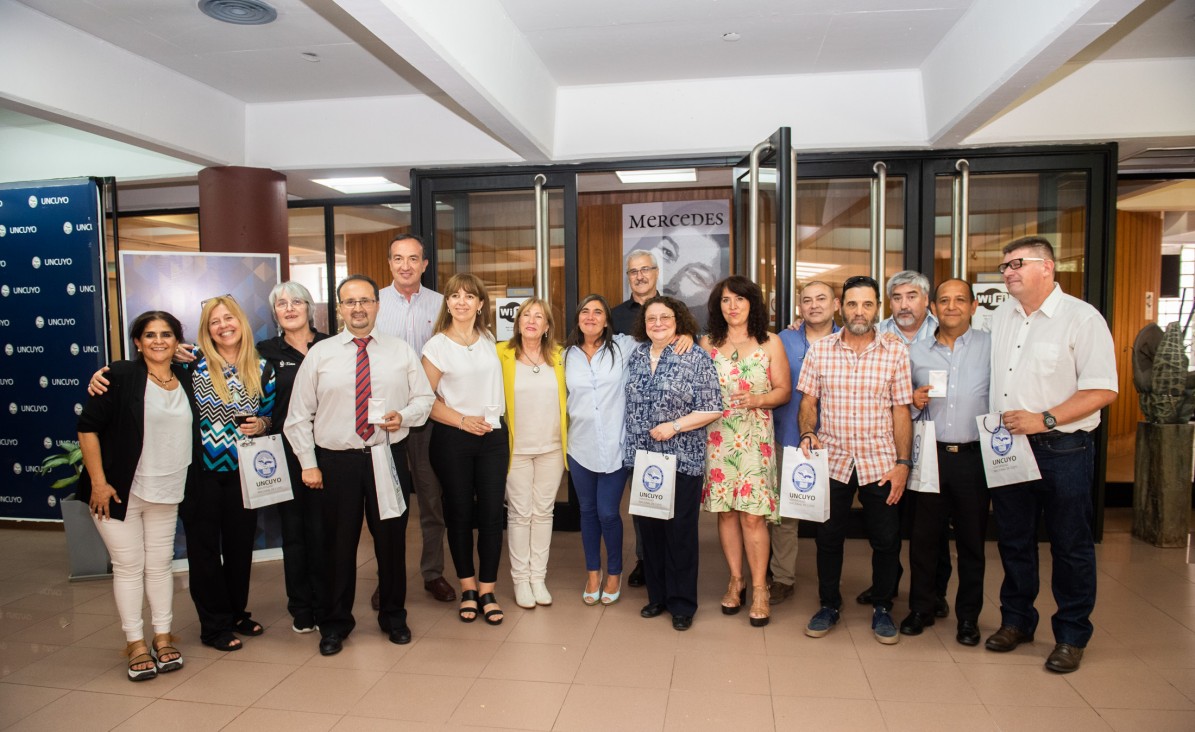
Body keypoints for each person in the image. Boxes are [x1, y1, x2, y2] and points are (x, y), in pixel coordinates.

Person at [986, 236, 1117, 673]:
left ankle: (1071, 635)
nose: (1008, 272)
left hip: (1064, 447)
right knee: (1015, 541)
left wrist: (1045, 419)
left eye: (1016, 264)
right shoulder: (1000, 317)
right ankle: (1017, 621)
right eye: (1004, 266)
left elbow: (1103, 389)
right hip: (1009, 448)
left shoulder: (1081, 318)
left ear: (1047, 266)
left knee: (1070, 545)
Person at [285, 275, 433, 656]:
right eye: (350, 302)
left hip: (387, 457)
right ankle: (335, 623)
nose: (359, 308)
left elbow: (425, 399)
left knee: (391, 542)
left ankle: (393, 617)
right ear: (339, 309)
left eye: (365, 301)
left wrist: (405, 416)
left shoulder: (400, 351)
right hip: (336, 463)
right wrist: (308, 463)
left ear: (377, 305)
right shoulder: (321, 354)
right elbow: (298, 416)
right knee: (337, 545)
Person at [77, 311, 196, 681]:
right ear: (137, 342)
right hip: (117, 491)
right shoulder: (119, 376)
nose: (158, 341)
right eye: (149, 335)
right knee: (129, 567)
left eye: (166, 335)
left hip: (167, 488)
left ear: (177, 342)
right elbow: (88, 429)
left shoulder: (187, 378)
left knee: (160, 565)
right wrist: (98, 482)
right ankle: (135, 643)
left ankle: (163, 637)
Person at [798, 275, 913, 645]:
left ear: (877, 307)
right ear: (840, 307)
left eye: (866, 304)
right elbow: (808, 402)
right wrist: (807, 432)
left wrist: (903, 463)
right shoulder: (821, 351)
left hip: (880, 462)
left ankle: (882, 607)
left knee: (886, 540)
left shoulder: (895, 351)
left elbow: (900, 411)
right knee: (828, 538)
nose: (859, 311)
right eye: (851, 304)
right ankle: (829, 604)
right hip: (832, 460)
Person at [563, 295, 694, 607]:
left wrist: (686, 334)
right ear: (578, 319)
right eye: (585, 311)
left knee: (609, 512)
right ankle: (593, 572)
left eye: (598, 312)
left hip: (616, 446)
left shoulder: (624, 347)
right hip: (579, 446)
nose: (591, 317)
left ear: (608, 321)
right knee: (587, 512)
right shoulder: (564, 355)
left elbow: (661, 336)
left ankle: (615, 573)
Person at [899, 279, 992, 647]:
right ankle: (922, 607)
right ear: (932, 308)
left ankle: (968, 617)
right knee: (923, 539)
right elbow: (899, 404)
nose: (951, 306)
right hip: (930, 456)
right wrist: (911, 401)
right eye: (944, 300)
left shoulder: (991, 347)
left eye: (960, 300)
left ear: (973, 306)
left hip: (974, 457)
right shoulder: (916, 352)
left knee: (972, 542)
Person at [184, 295, 276, 651]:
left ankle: (236, 611)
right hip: (202, 474)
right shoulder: (193, 366)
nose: (223, 326)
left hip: (245, 473)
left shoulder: (262, 366)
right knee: (204, 551)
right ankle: (214, 626)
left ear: (241, 321)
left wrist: (263, 423)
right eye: (214, 322)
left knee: (240, 548)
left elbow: (271, 414)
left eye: (228, 318)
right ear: (207, 330)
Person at [625, 296, 722, 631]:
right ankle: (658, 597)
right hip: (643, 459)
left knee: (679, 533)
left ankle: (682, 603)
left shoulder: (695, 356)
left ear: (678, 320)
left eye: (665, 317)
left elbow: (713, 408)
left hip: (682, 459)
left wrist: (675, 426)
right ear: (643, 323)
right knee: (650, 532)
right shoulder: (636, 355)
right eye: (651, 318)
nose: (658, 324)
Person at [700, 276, 791, 627]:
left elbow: (783, 390)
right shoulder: (707, 342)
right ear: (717, 306)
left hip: (754, 438)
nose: (732, 306)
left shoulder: (770, 342)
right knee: (725, 513)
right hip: (718, 438)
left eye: (739, 299)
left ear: (752, 303)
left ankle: (760, 588)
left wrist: (757, 399)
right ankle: (735, 581)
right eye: (725, 300)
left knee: (752, 516)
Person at [422, 273, 509, 625]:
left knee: (491, 515)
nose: (461, 302)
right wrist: (461, 421)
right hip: (453, 438)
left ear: (480, 304)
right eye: (454, 296)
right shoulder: (436, 346)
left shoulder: (490, 339)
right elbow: (425, 400)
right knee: (458, 514)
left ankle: (488, 590)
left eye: (469, 296)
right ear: (447, 303)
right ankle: (468, 588)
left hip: (492, 437)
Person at [375, 233, 455, 606]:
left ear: (425, 264)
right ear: (389, 263)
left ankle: (432, 572)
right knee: (386, 502)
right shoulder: (374, 305)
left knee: (431, 499)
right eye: (398, 259)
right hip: (384, 420)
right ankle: (386, 578)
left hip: (427, 418)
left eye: (413, 259)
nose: (405, 265)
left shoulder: (442, 305)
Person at [865, 269, 950, 617]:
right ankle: (886, 583)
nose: (904, 304)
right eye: (897, 297)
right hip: (888, 443)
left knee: (931, 521)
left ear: (926, 300)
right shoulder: (877, 333)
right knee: (887, 520)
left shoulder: (943, 331)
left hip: (934, 440)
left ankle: (934, 591)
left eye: (912, 296)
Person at [256, 282, 329, 635]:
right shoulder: (265, 351)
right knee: (296, 531)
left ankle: (330, 600)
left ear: (309, 307)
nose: (289, 308)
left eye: (296, 301)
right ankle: (302, 607)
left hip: (330, 452)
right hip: (286, 454)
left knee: (327, 531)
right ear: (275, 313)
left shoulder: (331, 345)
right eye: (281, 303)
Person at [769, 281, 840, 605]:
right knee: (785, 516)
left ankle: (832, 585)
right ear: (800, 307)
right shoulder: (783, 339)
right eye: (807, 300)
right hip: (789, 439)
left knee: (832, 515)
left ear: (835, 304)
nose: (814, 305)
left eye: (821, 299)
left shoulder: (849, 338)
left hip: (838, 443)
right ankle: (783, 577)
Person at [498, 297, 567, 609]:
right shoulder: (501, 353)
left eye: (539, 316)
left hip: (552, 448)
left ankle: (538, 577)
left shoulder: (561, 356)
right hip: (518, 449)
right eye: (526, 314)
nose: (531, 320)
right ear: (518, 321)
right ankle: (520, 580)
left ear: (547, 326)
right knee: (519, 513)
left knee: (543, 513)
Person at [611, 249, 661, 588]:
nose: (640, 276)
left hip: (665, 422)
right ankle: (645, 560)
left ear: (657, 273)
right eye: (633, 272)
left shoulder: (674, 311)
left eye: (645, 270)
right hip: (625, 419)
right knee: (641, 499)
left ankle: (664, 559)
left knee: (662, 493)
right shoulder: (613, 315)